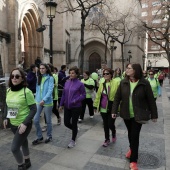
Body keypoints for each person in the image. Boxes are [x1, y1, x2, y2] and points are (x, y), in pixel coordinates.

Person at [112, 63, 158, 170]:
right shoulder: (123, 82)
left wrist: (154, 114)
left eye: (129, 68)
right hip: (126, 114)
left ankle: (133, 161)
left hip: (139, 115)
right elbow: (117, 98)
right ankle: (132, 149)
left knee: (135, 136)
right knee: (130, 134)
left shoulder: (144, 83)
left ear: (135, 70)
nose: (126, 70)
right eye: (127, 68)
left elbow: (151, 100)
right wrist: (114, 110)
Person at [3, 68, 36, 170]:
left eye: (17, 76)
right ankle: (27, 161)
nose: (14, 78)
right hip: (13, 123)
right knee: (23, 141)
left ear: (22, 78)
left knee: (14, 148)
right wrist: (5, 117)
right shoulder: (8, 90)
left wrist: (25, 123)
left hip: (24, 124)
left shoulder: (27, 91)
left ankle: (21, 166)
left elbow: (33, 109)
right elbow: (7, 105)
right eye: (12, 76)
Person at [59, 67, 86, 148]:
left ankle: (73, 140)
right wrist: (61, 104)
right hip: (67, 106)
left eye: (73, 73)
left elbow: (84, 95)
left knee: (74, 123)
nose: (71, 74)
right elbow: (63, 94)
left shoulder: (80, 84)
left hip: (76, 107)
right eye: (70, 73)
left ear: (76, 74)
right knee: (66, 123)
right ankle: (75, 129)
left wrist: (75, 100)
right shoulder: (67, 82)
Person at [93, 68, 119, 147]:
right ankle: (107, 139)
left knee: (111, 124)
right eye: (104, 74)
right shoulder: (102, 83)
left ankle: (113, 133)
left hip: (112, 106)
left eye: (107, 74)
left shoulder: (116, 82)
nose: (105, 75)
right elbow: (98, 95)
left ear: (111, 74)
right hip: (103, 107)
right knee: (105, 124)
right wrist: (95, 105)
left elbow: (119, 96)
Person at [32, 63, 54, 145]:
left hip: (47, 102)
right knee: (36, 119)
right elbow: (37, 90)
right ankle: (39, 137)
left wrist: (44, 100)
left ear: (47, 69)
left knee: (48, 120)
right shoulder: (39, 77)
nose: (41, 70)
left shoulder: (50, 78)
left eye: (43, 68)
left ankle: (49, 136)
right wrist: (36, 100)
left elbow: (50, 90)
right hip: (38, 101)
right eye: (40, 68)